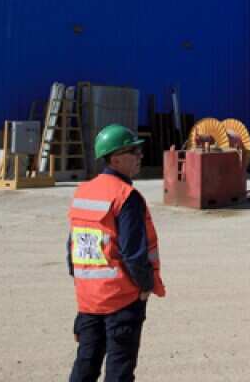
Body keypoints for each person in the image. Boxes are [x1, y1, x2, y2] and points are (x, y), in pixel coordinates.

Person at [67, 124, 166, 382]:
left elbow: (73, 249)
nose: (140, 156)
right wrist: (145, 286)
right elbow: (134, 252)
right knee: (119, 370)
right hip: (121, 299)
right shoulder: (126, 196)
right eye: (134, 151)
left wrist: (84, 288)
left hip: (89, 300)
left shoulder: (83, 192)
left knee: (85, 366)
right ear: (115, 158)